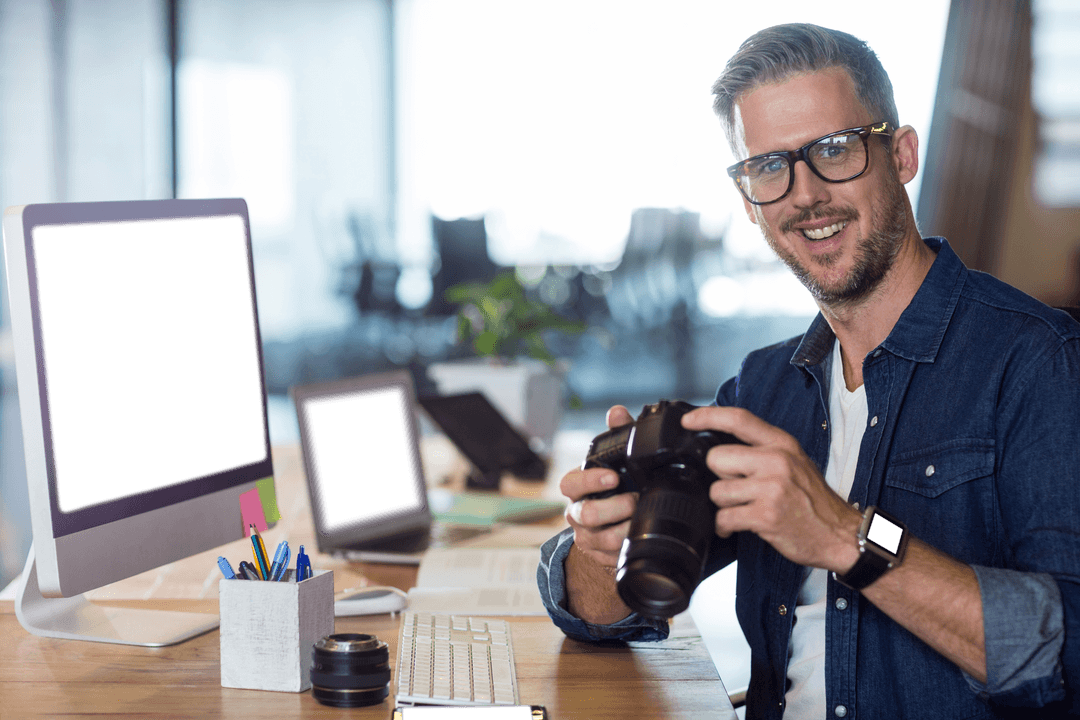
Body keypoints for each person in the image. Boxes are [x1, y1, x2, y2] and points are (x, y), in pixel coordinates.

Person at [537, 22, 1080, 719]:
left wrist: (843, 535)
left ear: (903, 153)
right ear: (747, 199)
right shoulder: (762, 391)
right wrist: (600, 544)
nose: (805, 195)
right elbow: (605, 614)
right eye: (769, 166)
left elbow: (1065, 652)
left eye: (833, 150)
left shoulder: (1038, 362)